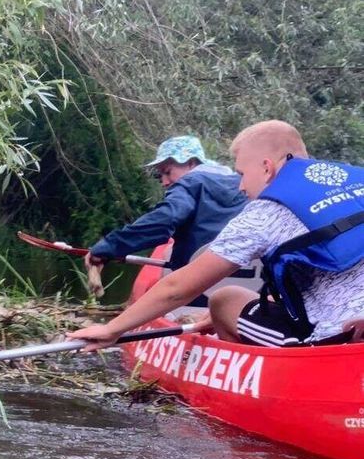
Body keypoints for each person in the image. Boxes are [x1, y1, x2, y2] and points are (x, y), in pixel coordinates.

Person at [69, 120, 364, 349]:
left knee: (224, 299)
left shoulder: (266, 210)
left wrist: (111, 330)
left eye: (241, 174)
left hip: (334, 341)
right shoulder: (355, 180)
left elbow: (178, 289)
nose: (240, 187)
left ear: (267, 168)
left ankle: (252, 398)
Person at [86, 135, 248, 273]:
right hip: (244, 284)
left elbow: (164, 221)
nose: (164, 182)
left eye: (168, 172)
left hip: (197, 284)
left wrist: (108, 246)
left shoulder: (190, 183)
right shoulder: (246, 185)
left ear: (191, 163)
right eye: (160, 176)